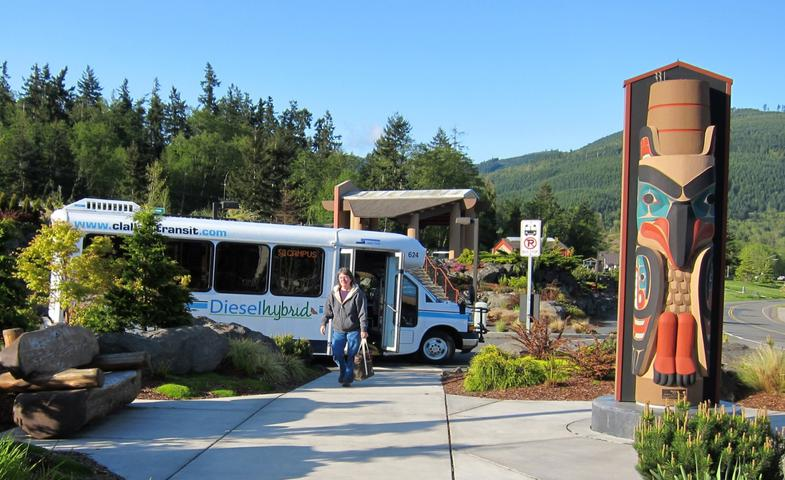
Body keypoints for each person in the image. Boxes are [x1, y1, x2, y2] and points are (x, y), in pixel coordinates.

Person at [320, 267, 368, 387]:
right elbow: (328, 311)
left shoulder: (357, 294)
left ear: (350, 278)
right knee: (336, 354)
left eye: (345, 277)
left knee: (352, 355)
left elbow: (362, 313)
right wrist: (323, 323)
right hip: (338, 330)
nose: (343, 280)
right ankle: (344, 369)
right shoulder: (334, 294)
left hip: (354, 330)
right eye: (341, 278)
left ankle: (347, 379)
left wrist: (363, 329)